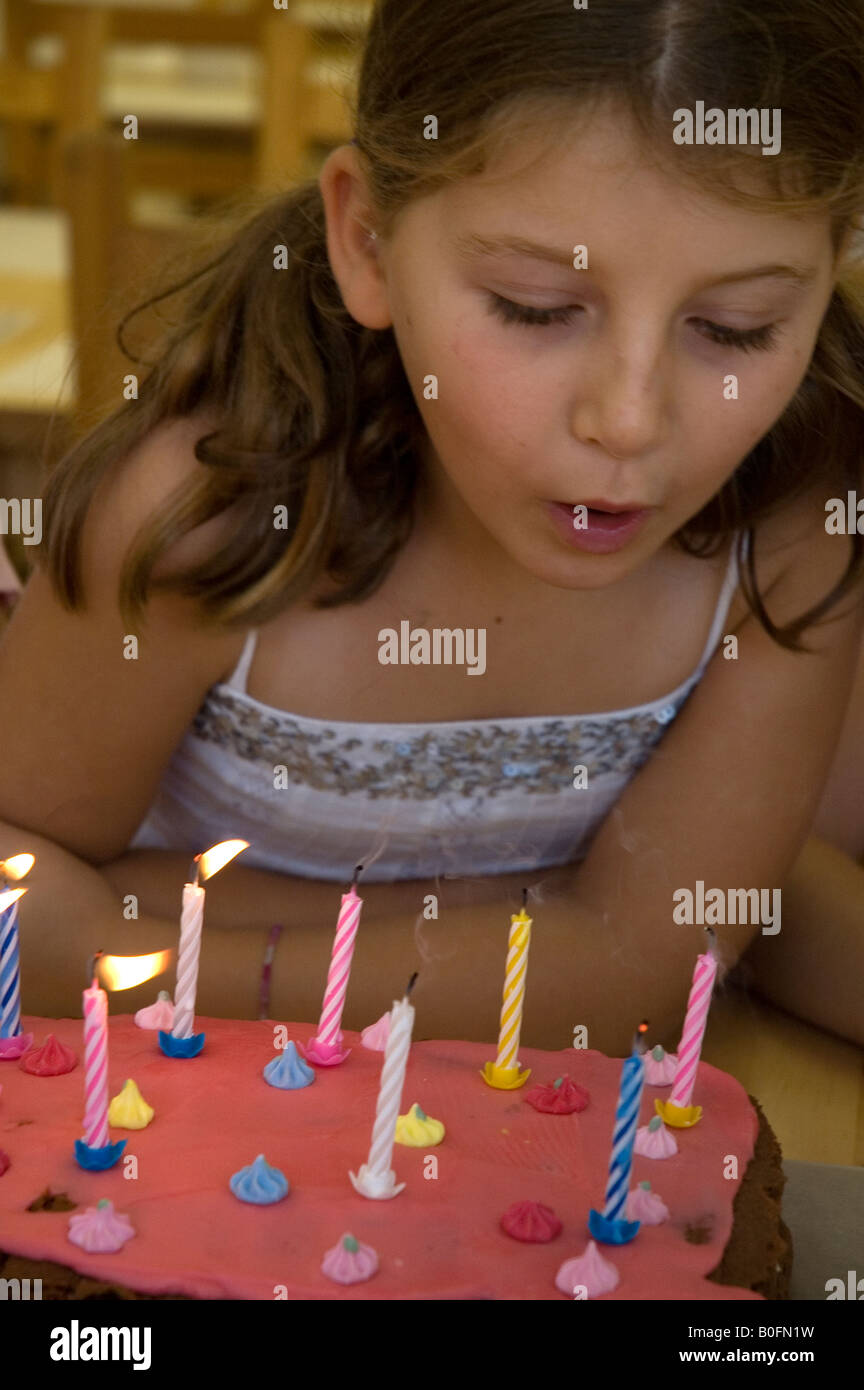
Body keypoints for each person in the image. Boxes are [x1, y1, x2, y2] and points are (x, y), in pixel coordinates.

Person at [1, 0, 864, 1055]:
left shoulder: (794, 532)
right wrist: (554, 916)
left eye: (738, 328)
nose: (630, 420)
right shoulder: (208, 522)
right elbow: (17, 896)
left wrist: (151, 940)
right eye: (536, 307)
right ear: (367, 239)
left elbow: (641, 975)